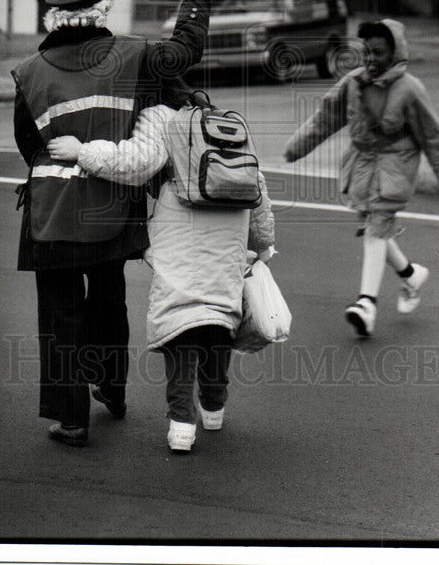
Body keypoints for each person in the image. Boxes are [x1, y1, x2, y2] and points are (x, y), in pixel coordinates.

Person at [12, 0, 213, 447]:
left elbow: (26, 143)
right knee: (107, 298)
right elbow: (185, 51)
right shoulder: (132, 55)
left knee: (61, 315)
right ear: (103, 9)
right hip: (111, 207)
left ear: (55, 18)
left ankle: (72, 419)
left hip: (50, 211)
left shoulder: (29, 73)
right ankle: (113, 388)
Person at [48, 84, 276, 454]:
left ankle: (182, 424)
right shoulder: (222, 120)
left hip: (181, 223)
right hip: (231, 224)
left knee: (181, 323)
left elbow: (137, 163)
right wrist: (262, 242)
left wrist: (82, 151)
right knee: (220, 315)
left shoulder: (159, 116)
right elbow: (256, 182)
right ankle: (214, 407)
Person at [283, 18, 439, 339]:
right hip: (363, 161)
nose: (371, 59)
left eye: (379, 52)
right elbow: (325, 119)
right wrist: (296, 148)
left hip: (397, 163)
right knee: (373, 224)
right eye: (366, 51)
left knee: (377, 222)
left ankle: (366, 304)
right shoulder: (353, 83)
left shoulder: (410, 89)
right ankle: (411, 275)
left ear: (395, 52)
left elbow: (435, 139)